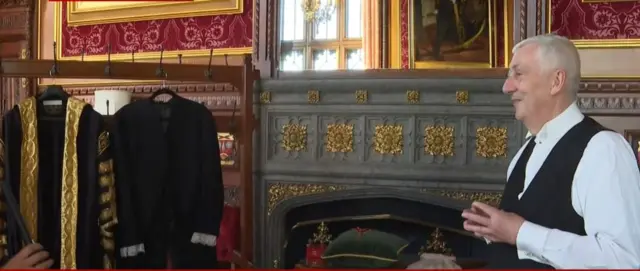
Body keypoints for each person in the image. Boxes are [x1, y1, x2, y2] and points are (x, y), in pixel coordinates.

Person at [461, 34, 640, 269]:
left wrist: (520, 232)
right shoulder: (524, 152)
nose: (506, 87)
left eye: (519, 74)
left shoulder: (603, 149)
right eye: (508, 76)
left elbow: (623, 260)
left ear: (556, 81)